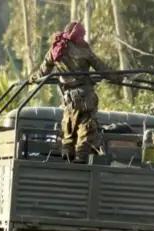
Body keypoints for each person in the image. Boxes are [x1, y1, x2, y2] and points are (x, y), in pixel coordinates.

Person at [29, 21, 122, 163]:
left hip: (69, 100)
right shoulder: (83, 50)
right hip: (86, 97)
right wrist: (119, 78)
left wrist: (32, 79)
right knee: (86, 129)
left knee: (69, 131)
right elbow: (102, 69)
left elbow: (42, 72)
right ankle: (80, 159)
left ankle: (67, 159)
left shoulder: (56, 49)